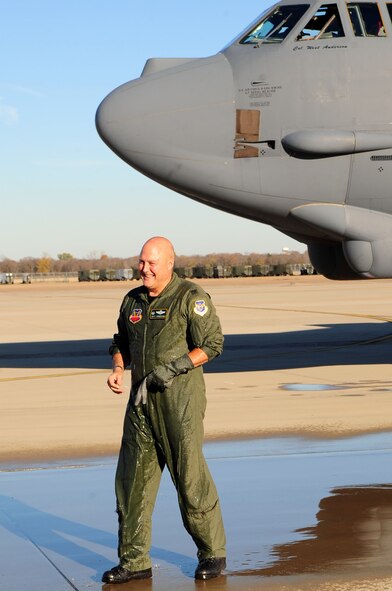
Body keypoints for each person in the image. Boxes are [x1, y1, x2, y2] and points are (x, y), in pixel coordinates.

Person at [102, 236, 226, 584]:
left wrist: (174, 367)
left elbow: (213, 345)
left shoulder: (191, 298)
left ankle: (212, 552)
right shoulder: (133, 301)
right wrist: (117, 368)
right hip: (141, 403)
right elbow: (120, 342)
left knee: (189, 478)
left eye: (152, 263)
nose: (145, 269)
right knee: (131, 482)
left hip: (179, 402)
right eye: (142, 262)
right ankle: (134, 560)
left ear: (170, 262)